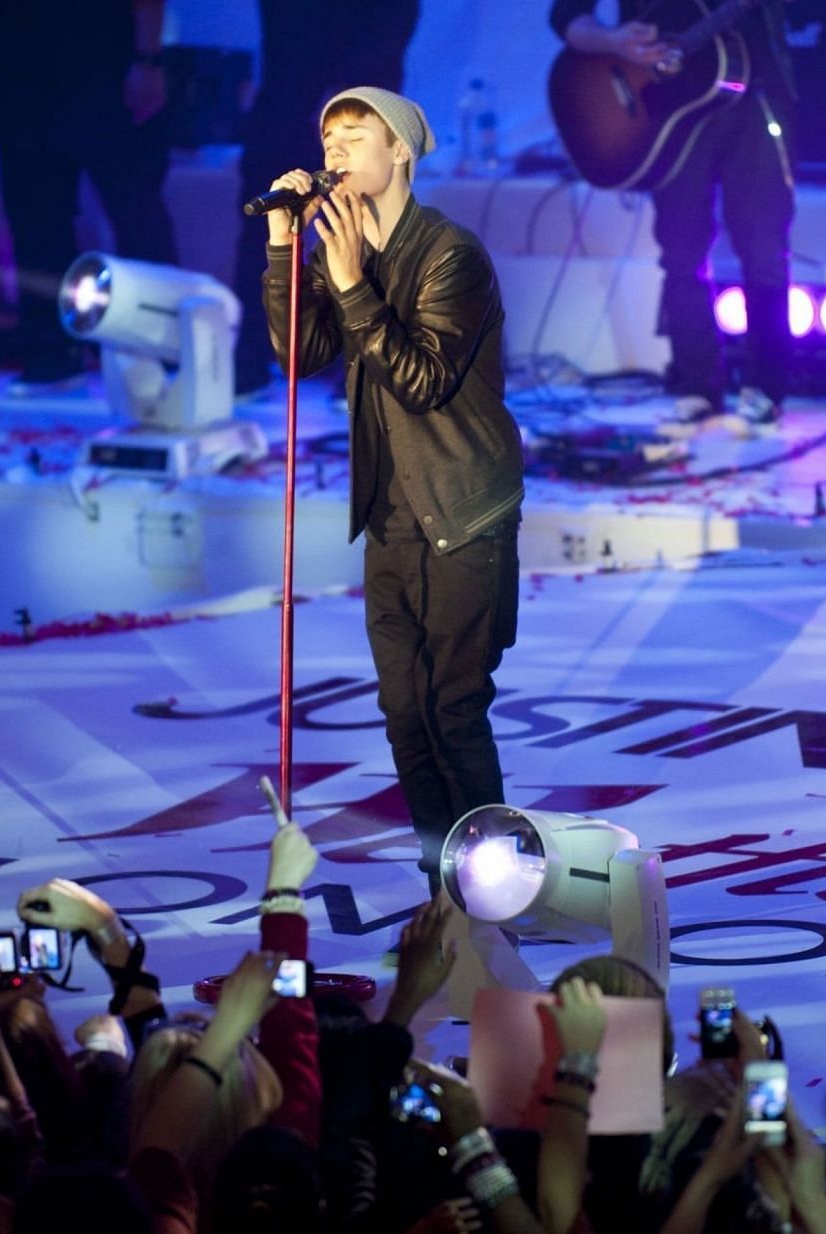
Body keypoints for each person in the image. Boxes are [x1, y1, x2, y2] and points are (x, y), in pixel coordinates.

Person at [261, 88, 524, 896]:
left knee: (453, 708)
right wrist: (283, 247)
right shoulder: (348, 257)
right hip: (391, 518)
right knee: (403, 714)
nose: (333, 152)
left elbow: (421, 380)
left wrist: (348, 283)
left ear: (399, 151)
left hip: (463, 510)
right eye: (325, 137)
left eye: (352, 136)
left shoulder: (452, 255)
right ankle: (441, 885)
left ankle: (495, 886)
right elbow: (300, 355)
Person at [550, 0, 797, 432]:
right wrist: (614, 41)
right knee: (682, 252)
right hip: (667, 110)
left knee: (764, 248)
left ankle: (768, 387)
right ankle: (696, 384)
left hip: (749, 96)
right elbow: (567, 17)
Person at [0, 0, 178, 397]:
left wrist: (147, 59)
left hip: (104, 67)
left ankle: (166, 346)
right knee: (36, 220)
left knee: (135, 214)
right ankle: (51, 353)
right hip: (20, 76)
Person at [229, 0, 421, 396]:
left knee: (364, 225)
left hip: (358, 97)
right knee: (267, 219)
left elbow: (392, 20)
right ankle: (251, 353)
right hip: (287, 96)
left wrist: (347, 98)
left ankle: (364, 361)